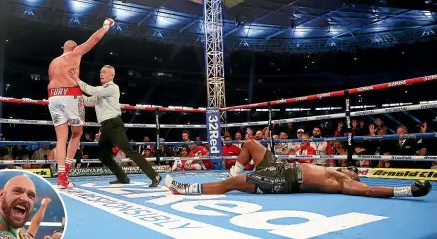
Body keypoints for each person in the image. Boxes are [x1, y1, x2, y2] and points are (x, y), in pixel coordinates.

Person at [165, 139, 432, 198]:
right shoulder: (334, 170)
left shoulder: (344, 183)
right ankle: (233, 172)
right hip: (282, 165)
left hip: (285, 178)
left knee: (230, 187)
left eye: (354, 170)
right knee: (249, 143)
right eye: (352, 169)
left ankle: (186, 188)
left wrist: (406, 189)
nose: (351, 169)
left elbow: (371, 191)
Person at [48, 18, 115, 188]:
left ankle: (61, 177)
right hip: (70, 95)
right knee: (77, 133)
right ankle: (67, 171)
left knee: (61, 138)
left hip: (53, 97)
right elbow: (93, 40)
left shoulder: (53, 63)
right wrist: (105, 27)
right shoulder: (74, 53)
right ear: (72, 47)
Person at [68, 65, 162, 187]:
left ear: (112, 76)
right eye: (101, 71)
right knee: (103, 156)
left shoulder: (112, 88)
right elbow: (88, 101)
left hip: (113, 124)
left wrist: (77, 79)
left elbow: (92, 90)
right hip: (105, 126)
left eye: (105, 72)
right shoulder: (101, 91)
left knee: (128, 150)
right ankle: (122, 177)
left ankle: (155, 175)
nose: (101, 74)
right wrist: (74, 91)